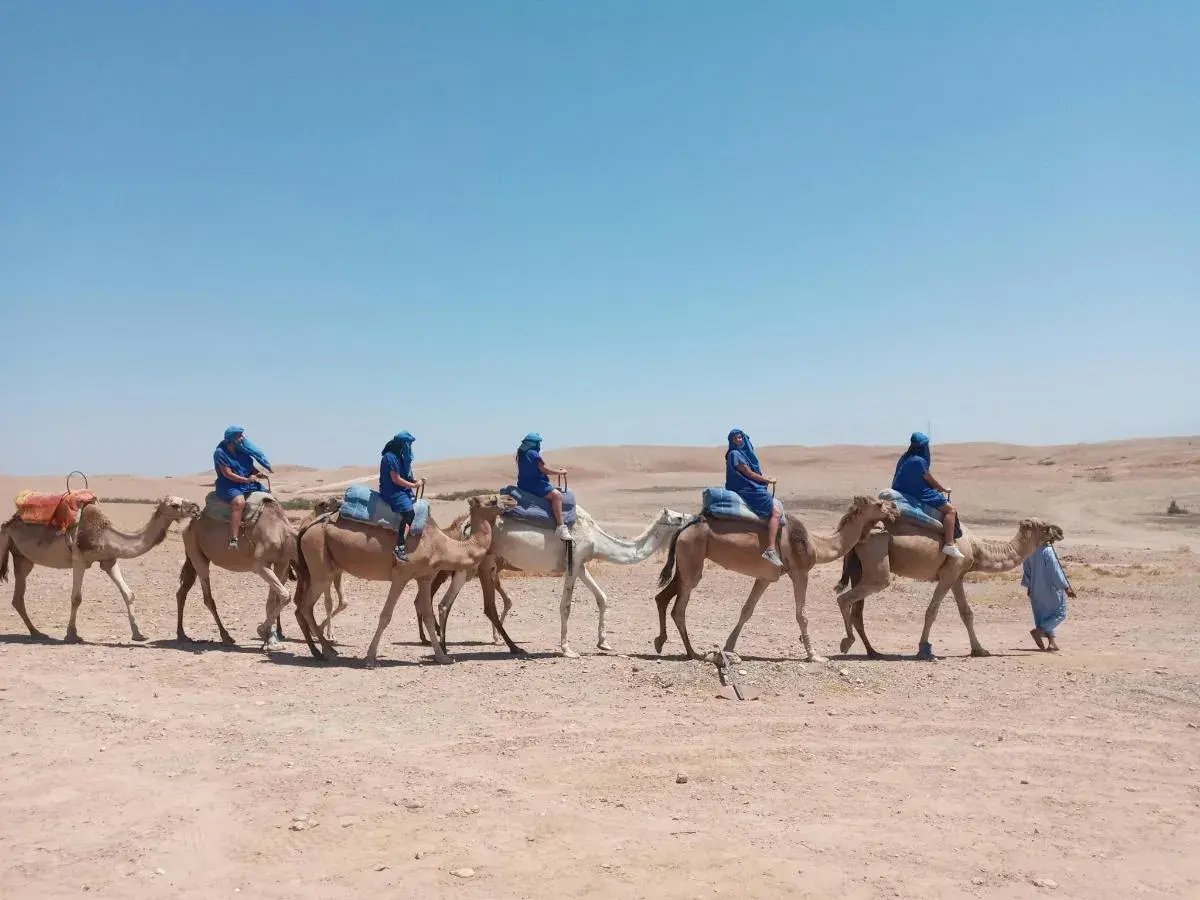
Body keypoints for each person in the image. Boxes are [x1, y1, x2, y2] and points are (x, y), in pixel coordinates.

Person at [891, 432, 965, 559]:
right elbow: (929, 479)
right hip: (917, 492)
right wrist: (944, 490)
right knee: (951, 511)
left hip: (901, 489)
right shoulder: (919, 461)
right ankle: (949, 544)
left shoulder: (905, 457)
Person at [725, 428, 784, 569]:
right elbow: (748, 473)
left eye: (740, 437)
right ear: (732, 441)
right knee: (776, 512)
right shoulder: (734, 454)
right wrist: (767, 480)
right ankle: (770, 549)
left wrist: (764, 480)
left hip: (749, 486)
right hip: (745, 488)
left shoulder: (741, 453)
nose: (739, 440)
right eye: (736, 439)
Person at [213, 425, 273, 549]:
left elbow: (250, 468)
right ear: (231, 438)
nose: (242, 439)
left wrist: (257, 473)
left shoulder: (242, 452)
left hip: (247, 484)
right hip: (228, 485)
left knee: (271, 497)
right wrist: (246, 480)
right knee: (239, 502)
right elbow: (227, 474)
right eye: (239, 436)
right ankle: (233, 539)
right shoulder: (220, 453)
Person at [515, 432, 572, 541]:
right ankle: (561, 527)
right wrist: (560, 472)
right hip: (535, 484)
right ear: (535, 444)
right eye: (538, 443)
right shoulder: (533, 454)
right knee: (557, 496)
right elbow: (544, 469)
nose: (539, 445)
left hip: (523, 484)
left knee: (553, 490)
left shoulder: (521, 454)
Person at [1022, 536, 1074, 651]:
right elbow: (1055, 571)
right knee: (1060, 613)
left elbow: (1026, 569)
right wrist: (1066, 587)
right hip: (1050, 587)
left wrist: (1029, 586)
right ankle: (1039, 631)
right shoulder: (1048, 551)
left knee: (1043, 614)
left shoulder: (1029, 551)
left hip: (1036, 588)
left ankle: (1051, 643)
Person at [380, 431, 424, 563]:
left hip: (402, 489)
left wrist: (417, 481)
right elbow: (396, 479)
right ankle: (400, 547)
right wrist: (413, 485)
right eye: (407, 444)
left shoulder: (400, 457)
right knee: (409, 513)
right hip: (392, 491)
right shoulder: (389, 458)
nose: (409, 447)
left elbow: (406, 476)